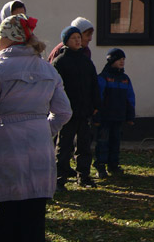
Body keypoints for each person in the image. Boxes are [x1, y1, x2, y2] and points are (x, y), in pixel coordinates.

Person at [0, 14, 72, 242]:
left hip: (6, 144)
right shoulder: (48, 70)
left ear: (10, 38)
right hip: (40, 147)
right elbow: (64, 111)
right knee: (35, 216)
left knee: (8, 216)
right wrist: (44, 130)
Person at [52, 25, 100, 190]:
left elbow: (94, 84)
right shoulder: (60, 62)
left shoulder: (86, 61)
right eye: (74, 38)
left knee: (84, 145)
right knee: (64, 146)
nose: (78, 41)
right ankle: (60, 178)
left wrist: (95, 104)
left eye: (79, 38)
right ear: (66, 41)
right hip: (67, 112)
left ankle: (84, 176)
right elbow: (55, 87)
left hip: (84, 110)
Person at [94, 48, 135, 177]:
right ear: (112, 60)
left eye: (123, 59)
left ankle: (113, 165)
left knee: (116, 141)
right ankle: (100, 166)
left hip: (118, 116)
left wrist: (130, 115)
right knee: (103, 142)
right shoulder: (103, 78)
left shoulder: (125, 79)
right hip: (105, 117)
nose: (122, 62)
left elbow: (130, 98)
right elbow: (98, 97)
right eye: (119, 59)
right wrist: (96, 115)